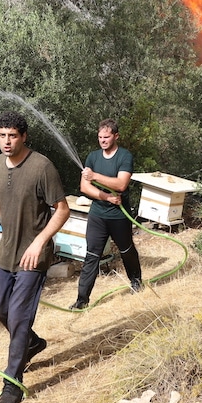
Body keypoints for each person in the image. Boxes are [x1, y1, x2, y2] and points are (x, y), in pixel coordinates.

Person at [0, 111, 70, 403]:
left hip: (31, 257)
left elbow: (62, 209)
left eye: (12, 135)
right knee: (0, 310)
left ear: (24, 136)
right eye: (2, 135)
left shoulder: (42, 167)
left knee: (19, 318)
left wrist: (40, 242)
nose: (7, 141)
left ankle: (12, 383)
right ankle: (33, 344)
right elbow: (4, 199)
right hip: (6, 253)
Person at [70, 118, 142, 310]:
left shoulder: (125, 156)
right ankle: (81, 300)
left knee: (126, 250)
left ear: (116, 136)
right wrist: (106, 197)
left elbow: (121, 184)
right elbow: (84, 186)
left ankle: (136, 281)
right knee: (91, 255)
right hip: (98, 215)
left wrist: (95, 177)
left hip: (119, 216)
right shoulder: (93, 157)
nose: (102, 140)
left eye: (107, 137)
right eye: (100, 137)